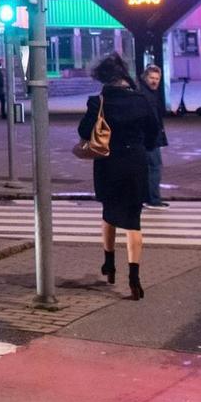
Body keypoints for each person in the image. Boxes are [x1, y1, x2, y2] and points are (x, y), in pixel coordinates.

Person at [77, 53, 159, 301]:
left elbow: (83, 131)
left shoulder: (98, 101)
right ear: (124, 75)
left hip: (107, 163)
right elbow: (154, 134)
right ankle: (134, 277)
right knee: (134, 221)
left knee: (109, 212)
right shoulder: (142, 100)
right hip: (135, 162)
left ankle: (109, 263)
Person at [140, 65, 170, 207]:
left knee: (148, 168)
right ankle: (153, 199)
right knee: (155, 167)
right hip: (149, 138)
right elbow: (151, 119)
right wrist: (153, 136)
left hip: (147, 137)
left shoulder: (148, 93)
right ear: (145, 77)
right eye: (152, 78)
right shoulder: (146, 95)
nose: (154, 81)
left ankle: (147, 198)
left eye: (157, 79)